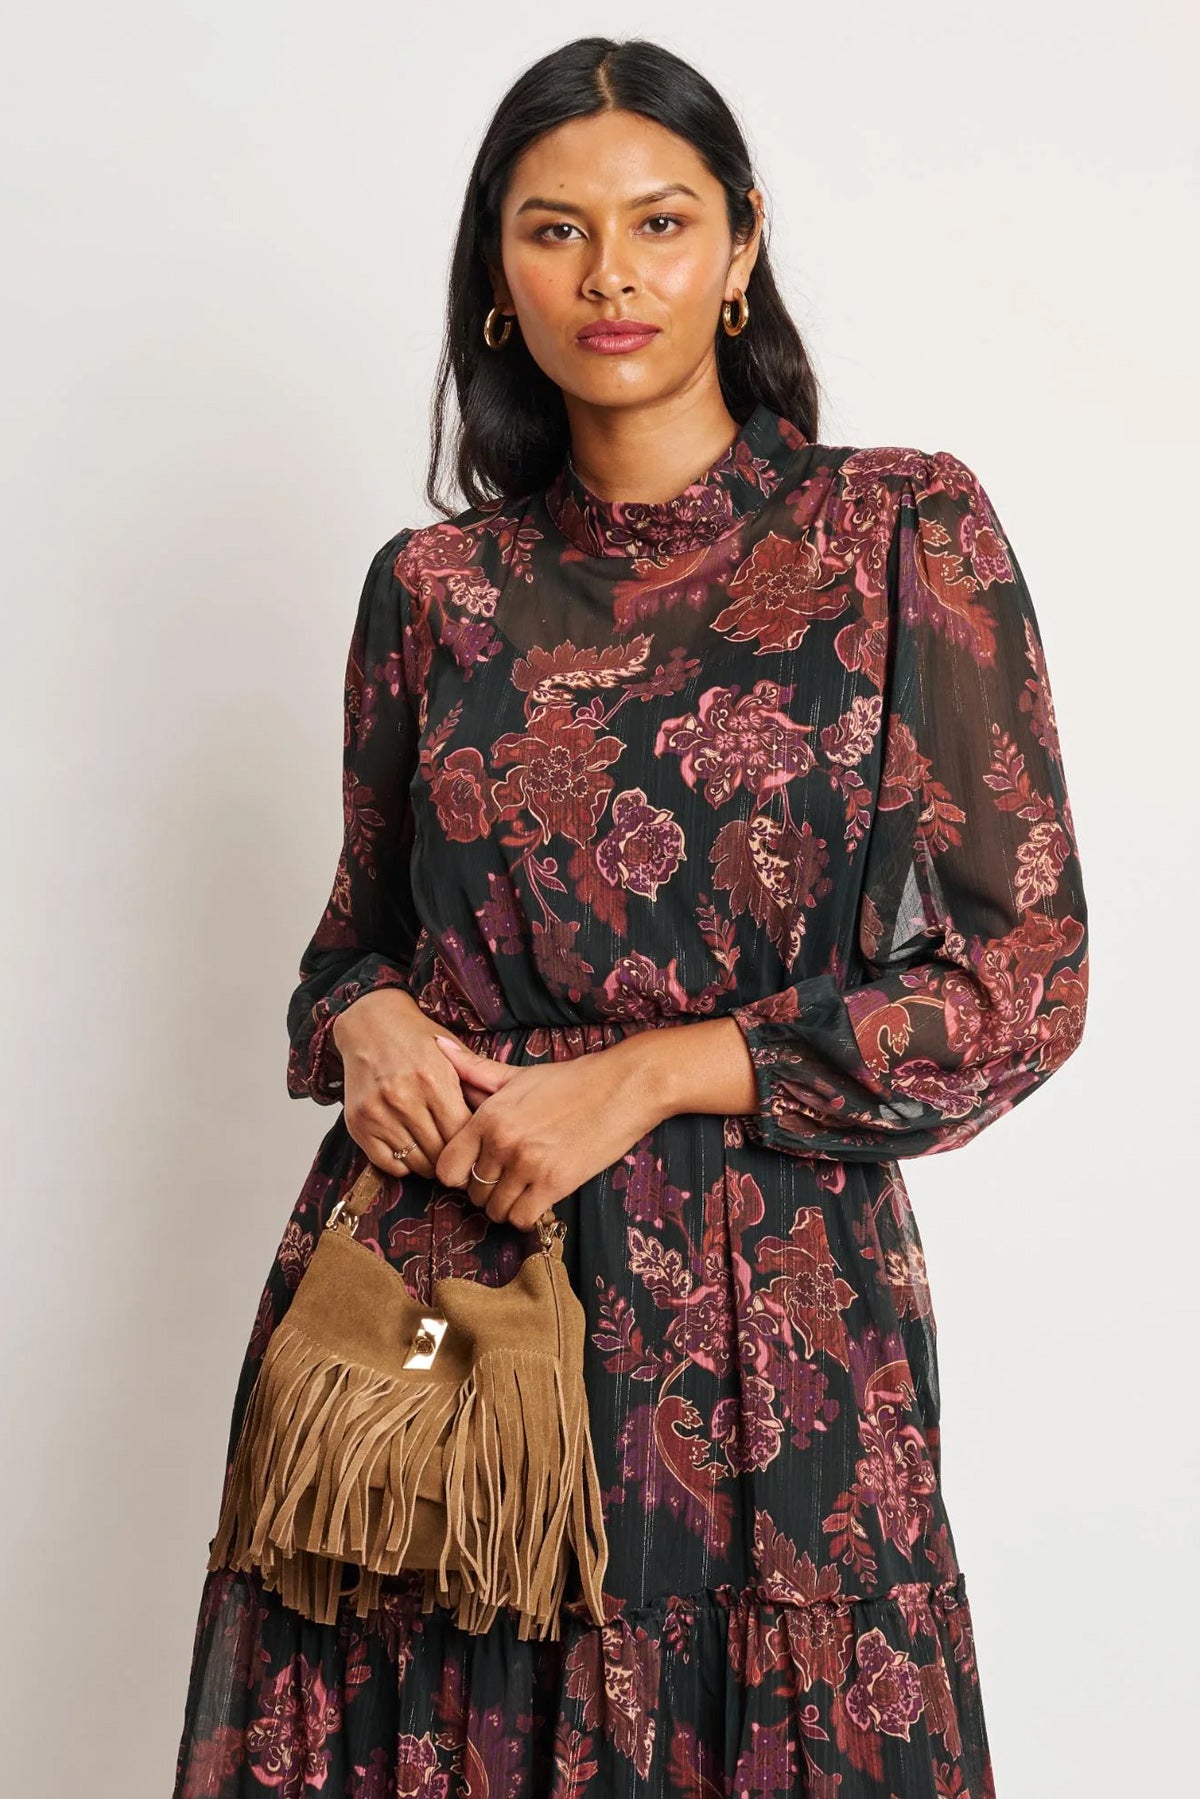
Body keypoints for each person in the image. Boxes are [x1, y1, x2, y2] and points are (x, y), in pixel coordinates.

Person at [172, 34, 1087, 1799]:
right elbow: (350, 944)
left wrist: (664, 1071)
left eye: (662, 223)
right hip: (442, 1313)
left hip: (768, 1336)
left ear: (741, 248)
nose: (613, 275)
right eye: (555, 230)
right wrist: (358, 1020)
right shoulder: (429, 590)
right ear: (495, 278)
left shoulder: (902, 529)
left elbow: (1019, 979)